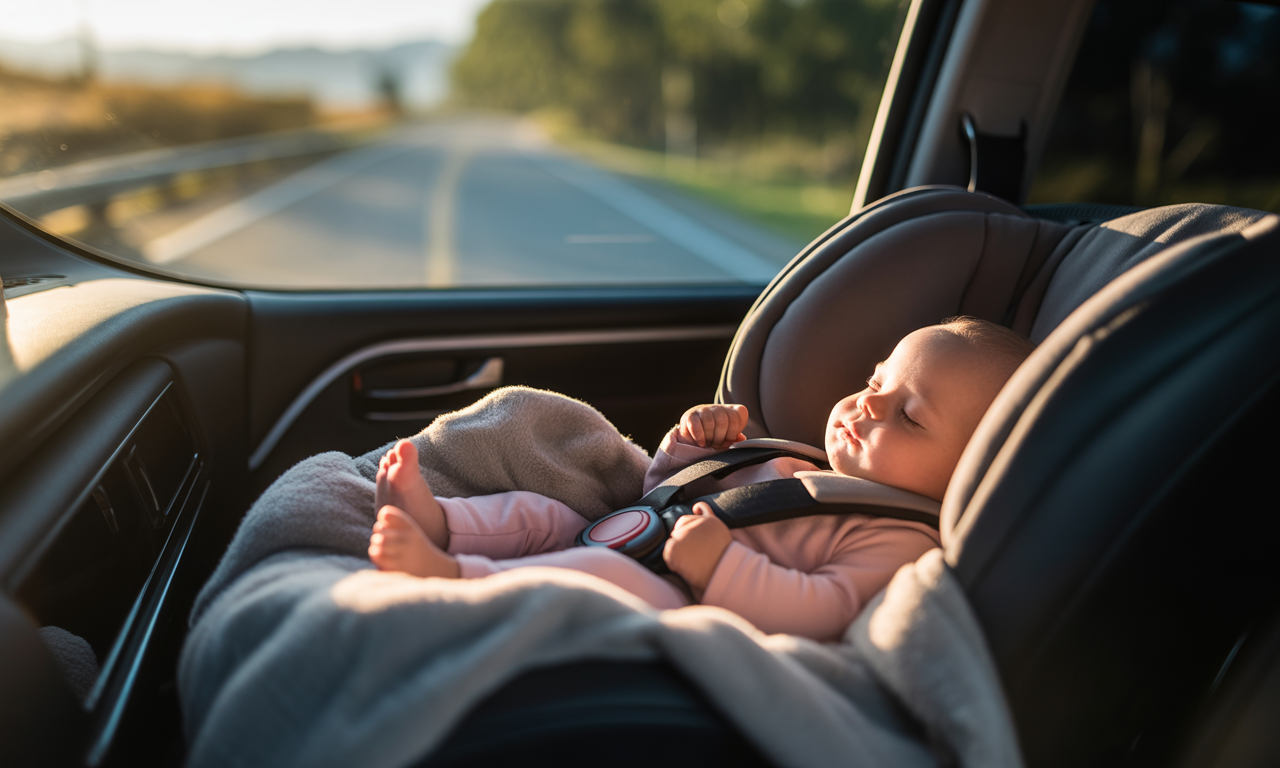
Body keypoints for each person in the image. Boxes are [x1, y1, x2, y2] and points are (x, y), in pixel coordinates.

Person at [367, 317, 1034, 641]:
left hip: (680, 597)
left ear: (970, 470)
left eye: (910, 416)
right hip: (628, 532)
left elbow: (823, 609)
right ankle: (443, 524)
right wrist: (688, 450)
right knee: (540, 514)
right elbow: (659, 491)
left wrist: (722, 571)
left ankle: (451, 580)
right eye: (874, 381)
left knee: (607, 578)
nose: (868, 406)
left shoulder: (899, 541)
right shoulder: (792, 461)